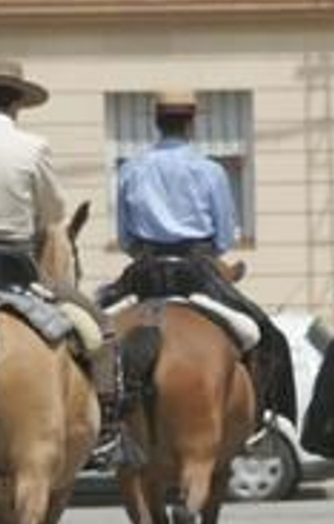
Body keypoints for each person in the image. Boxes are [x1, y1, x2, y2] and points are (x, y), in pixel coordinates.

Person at [0, 57, 120, 442]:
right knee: (98, 328)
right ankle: (106, 426)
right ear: (18, 103)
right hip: (18, 267)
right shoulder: (34, 147)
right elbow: (54, 212)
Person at [98, 89, 295, 423]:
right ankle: (262, 421)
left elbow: (125, 238)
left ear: (156, 124)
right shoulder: (209, 170)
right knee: (265, 333)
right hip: (197, 271)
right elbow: (223, 238)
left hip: (144, 271)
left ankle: (98, 424)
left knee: (91, 333)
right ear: (191, 124)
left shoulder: (131, 169)